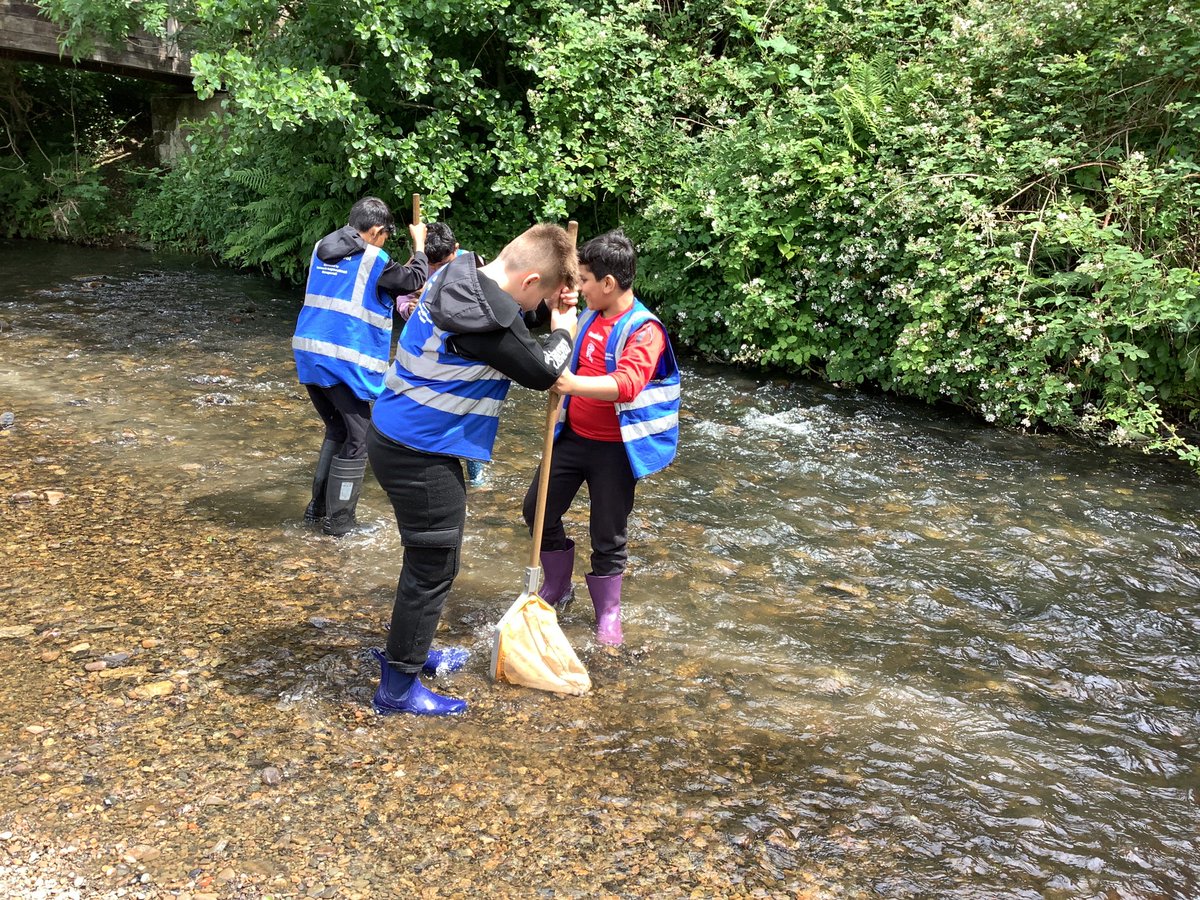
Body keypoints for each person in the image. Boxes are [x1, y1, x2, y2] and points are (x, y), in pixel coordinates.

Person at [366, 223, 579, 716]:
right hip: (418, 452)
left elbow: (521, 342)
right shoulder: (486, 321)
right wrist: (564, 324)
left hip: (397, 434)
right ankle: (397, 686)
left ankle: (413, 653)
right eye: (538, 298)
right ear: (529, 282)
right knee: (434, 567)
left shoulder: (457, 274)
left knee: (427, 562)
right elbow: (545, 370)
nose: (531, 311)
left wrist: (549, 309)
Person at [522, 229, 680, 646]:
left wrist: (570, 384)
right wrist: (561, 312)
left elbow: (627, 384)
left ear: (609, 284)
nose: (580, 289)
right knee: (536, 510)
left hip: (615, 450)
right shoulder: (590, 312)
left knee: (607, 536)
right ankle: (558, 586)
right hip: (573, 436)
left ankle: (608, 613)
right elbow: (561, 324)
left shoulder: (645, 330)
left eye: (585, 281)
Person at [292, 196, 429, 536]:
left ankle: (317, 511)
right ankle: (340, 524)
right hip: (341, 359)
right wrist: (420, 244)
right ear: (376, 231)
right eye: (385, 236)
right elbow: (413, 279)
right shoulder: (373, 259)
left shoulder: (322, 248)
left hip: (309, 352)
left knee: (338, 429)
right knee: (360, 436)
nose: (385, 243)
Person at [396, 222, 490, 488]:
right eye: (432, 266)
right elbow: (402, 296)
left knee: (470, 411)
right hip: (428, 353)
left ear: (456, 249)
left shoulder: (475, 266)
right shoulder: (418, 262)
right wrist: (407, 309)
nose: (435, 271)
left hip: (465, 351)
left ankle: (476, 478)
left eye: (442, 264)